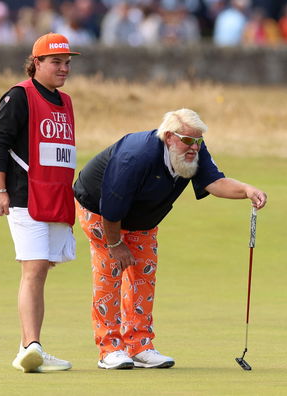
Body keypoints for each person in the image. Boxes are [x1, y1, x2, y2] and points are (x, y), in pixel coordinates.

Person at [74, 108, 268, 370]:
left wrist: (246, 190)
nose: (194, 147)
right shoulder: (136, 156)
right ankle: (109, 349)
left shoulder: (194, 152)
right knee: (110, 272)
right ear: (168, 137)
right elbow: (111, 205)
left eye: (199, 141)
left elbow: (214, 182)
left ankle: (139, 345)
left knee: (144, 274)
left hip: (142, 218)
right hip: (100, 210)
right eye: (188, 140)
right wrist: (116, 244)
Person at [0, 33, 80, 373]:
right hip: (25, 195)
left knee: (42, 269)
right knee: (34, 268)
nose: (63, 68)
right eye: (56, 62)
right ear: (36, 63)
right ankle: (30, 346)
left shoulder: (65, 101)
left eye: (67, 62)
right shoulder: (19, 96)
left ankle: (30, 346)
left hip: (56, 197)